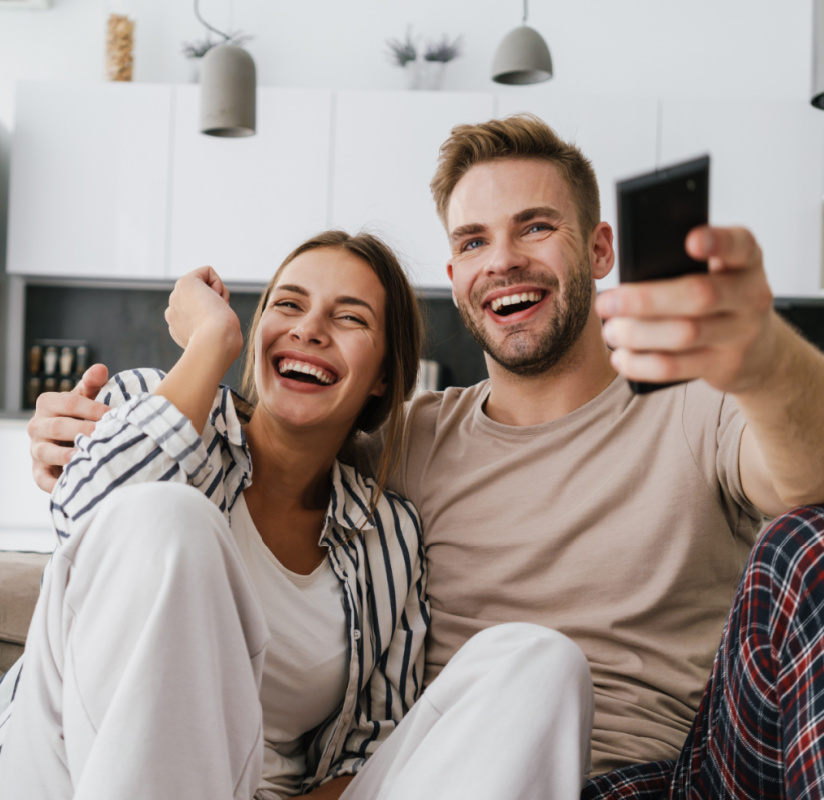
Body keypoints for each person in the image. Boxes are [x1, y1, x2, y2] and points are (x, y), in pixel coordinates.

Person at [26, 114, 824, 799]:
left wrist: (762, 361)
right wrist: (106, 422)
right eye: (475, 240)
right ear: (455, 275)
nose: (503, 258)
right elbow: (159, 500)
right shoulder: (407, 442)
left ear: (600, 247)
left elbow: (806, 475)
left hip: (661, 769)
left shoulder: (698, 405)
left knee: (783, 554)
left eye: (536, 227)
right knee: (172, 519)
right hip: (451, 769)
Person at [0, 230, 434, 800]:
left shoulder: (391, 538)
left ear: (383, 374)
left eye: (349, 318)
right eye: (288, 304)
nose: (308, 328)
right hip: (62, 761)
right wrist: (211, 338)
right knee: (174, 517)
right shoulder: (154, 403)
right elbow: (87, 523)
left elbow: (369, 753)